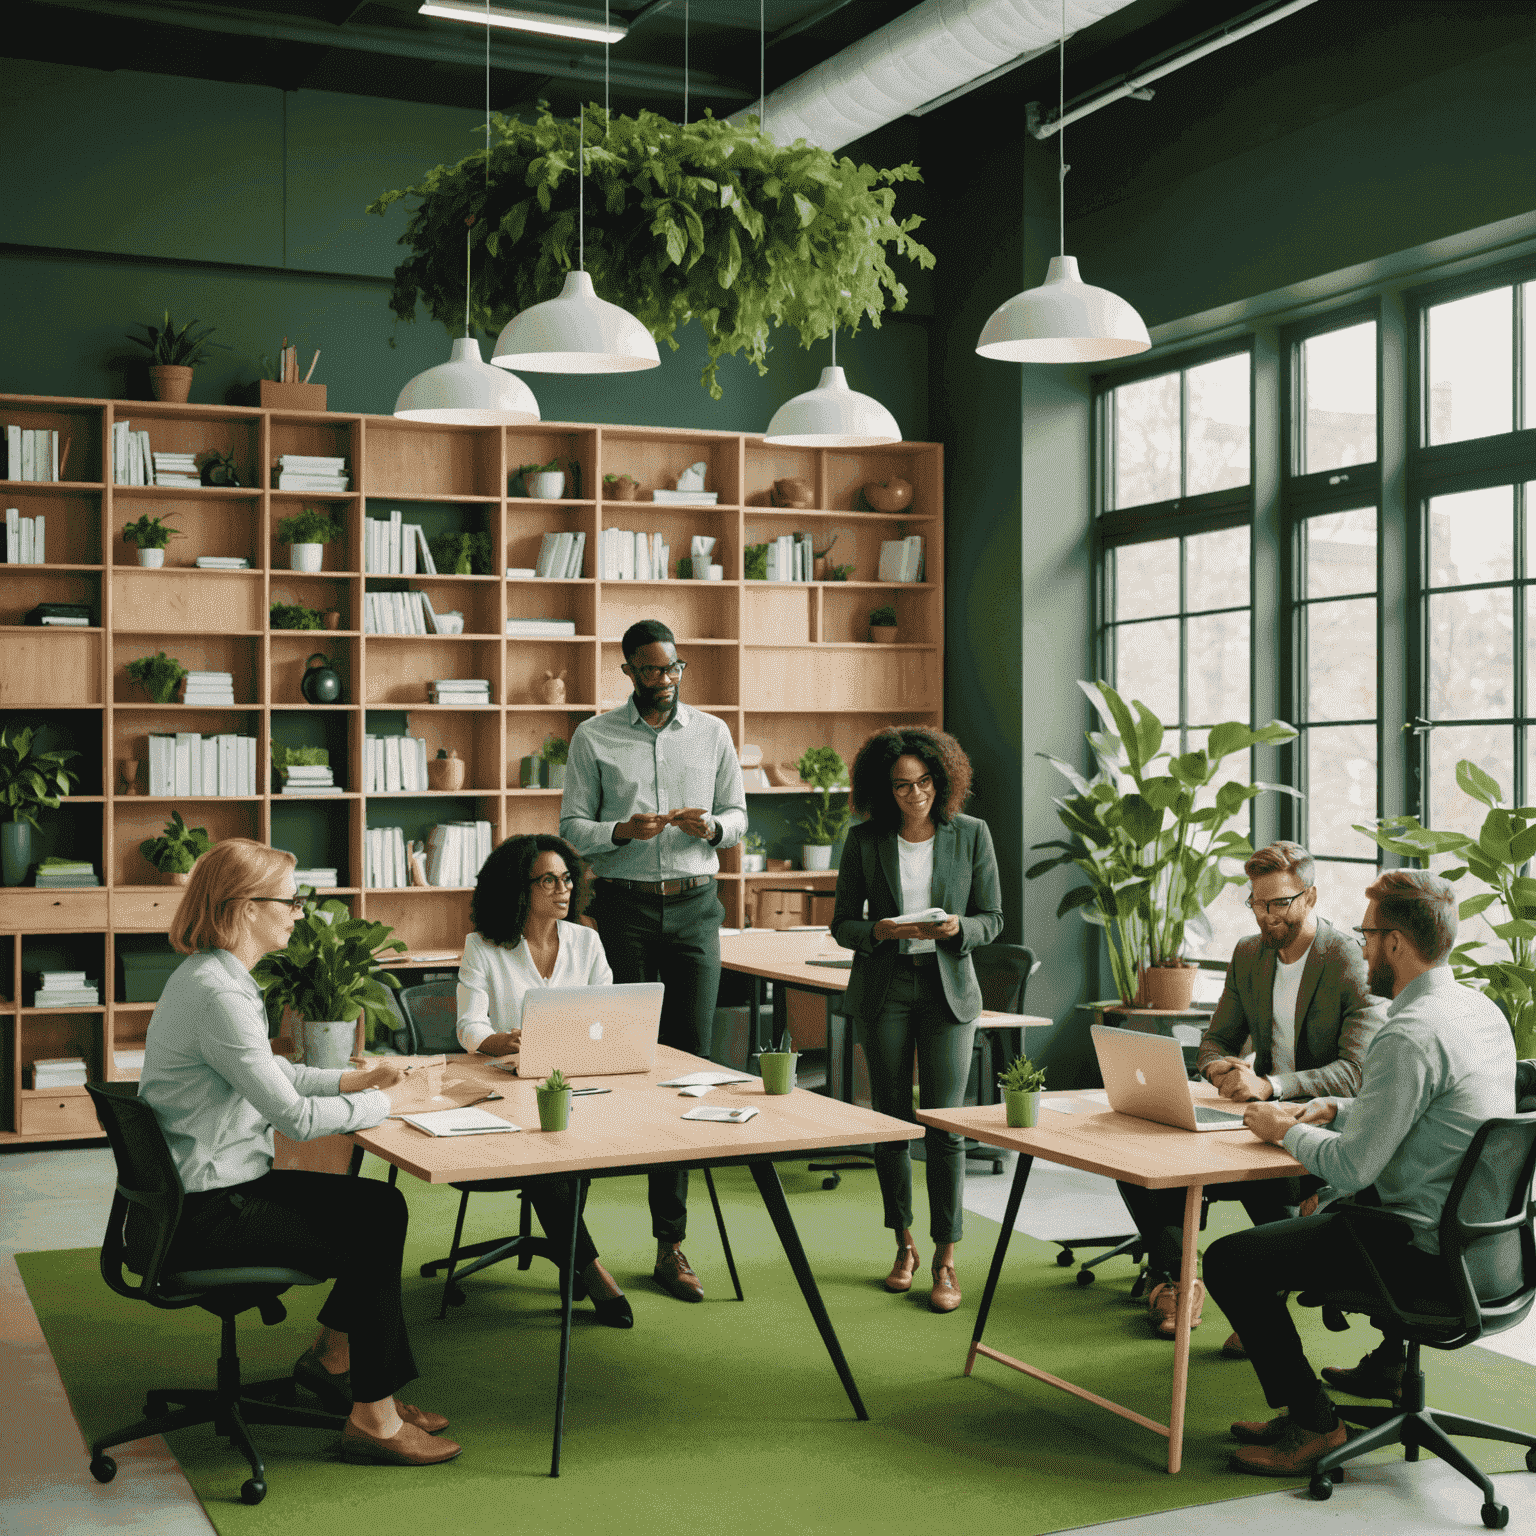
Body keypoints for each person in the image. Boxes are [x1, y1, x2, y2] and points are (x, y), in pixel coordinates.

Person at [137, 839, 460, 1467]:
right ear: (246, 907)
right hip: (207, 1213)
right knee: (372, 1217)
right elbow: (295, 1117)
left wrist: (356, 1081)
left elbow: (270, 1079)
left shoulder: (213, 977)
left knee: (379, 1206)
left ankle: (336, 1362)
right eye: (289, 901)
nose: (298, 914)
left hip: (194, 1194)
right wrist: (394, 1106)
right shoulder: (221, 994)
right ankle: (373, 1415)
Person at [1203, 869, 1515, 1477]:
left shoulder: (1410, 1033)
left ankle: (1315, 1424)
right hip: (1486, 1245)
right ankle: (1375, 1378)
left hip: (1413, 1245)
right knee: (1284, 1236)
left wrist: (1281, 1128)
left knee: (1230, 1261)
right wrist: (1339, 1108)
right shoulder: (1479, 1012)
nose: (1362, 946)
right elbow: (1430, 1111)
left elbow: (1353, 1165)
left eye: (1369, 935)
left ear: (1396, 944)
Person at [1117, 841, 1383, 1343]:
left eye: (1279, 903)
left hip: (1314, 1129)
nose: (1266, 916)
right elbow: (1215, 1039)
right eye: (1257, 903)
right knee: (1138, 1164)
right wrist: (1222, 1066)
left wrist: (1270, 1085)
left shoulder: (1350, 959)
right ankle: (1182, 1278)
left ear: (1310, 897)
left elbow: (1354, 1074)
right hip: (1255, 1123)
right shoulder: (1249, 953)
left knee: (1243, 1185)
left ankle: (1268, 1281)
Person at [559, 619, 747, 1303]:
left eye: (672, 670)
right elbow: (570, 828)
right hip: (625, 910)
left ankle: (672, 1243)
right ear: (628, 671)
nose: (663, 682)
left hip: (696, 906)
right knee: (621, 1060)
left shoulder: (713, 734)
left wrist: (715, 828)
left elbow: (739, 813)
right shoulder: (594, 737)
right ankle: (576, 1244)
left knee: (691, 1065)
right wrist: (618, 831)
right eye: (649, 671)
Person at [831, 726, 1004, 1313]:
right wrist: (880, 930)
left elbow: (994, 917)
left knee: (946, 1126)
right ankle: (903, 1243)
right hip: (886, 986)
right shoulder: (864, 839)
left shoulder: (971, 834)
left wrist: (960, 928)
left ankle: (945, 1258)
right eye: (902, 786)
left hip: (948, 988)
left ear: (942, 780)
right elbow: (842, 925)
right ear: (884, 789)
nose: (916, 795)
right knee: (892, 1121)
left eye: (925, 782)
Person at [456, 833, 632, 1327]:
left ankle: (572, 1255)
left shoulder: (587, 941)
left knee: (575, 1135)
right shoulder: (485, 947)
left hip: (578, 1078)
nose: (564, 889)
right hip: (508, 1088)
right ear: (520, 887)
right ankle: (590, 1268)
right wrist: (500, 1043)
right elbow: (470, 1025)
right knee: (544, 1150)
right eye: (549, 879)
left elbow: (609, 1012)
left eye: (568, 878)